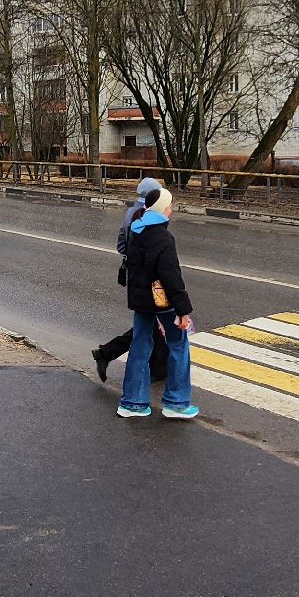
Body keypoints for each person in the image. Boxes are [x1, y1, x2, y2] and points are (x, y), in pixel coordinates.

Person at [119, 187, 196, 419]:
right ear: (162, 208)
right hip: (162, 301)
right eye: (170, 205)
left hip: (140, 299)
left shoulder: (137, 228)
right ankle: (177, 403)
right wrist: (183, 309)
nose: (171, 209)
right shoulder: (163, 237)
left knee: (140, 346)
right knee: (178, 344)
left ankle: (133, 403)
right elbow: (171, 276)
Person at [91, 175, 162, 381]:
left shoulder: (130, 211)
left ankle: (158, 369)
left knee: (153, 323)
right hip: (146, 279)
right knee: (150, 323)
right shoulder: (146, 215)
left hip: (137, 277)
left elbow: (121, 245)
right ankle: (105, 353)